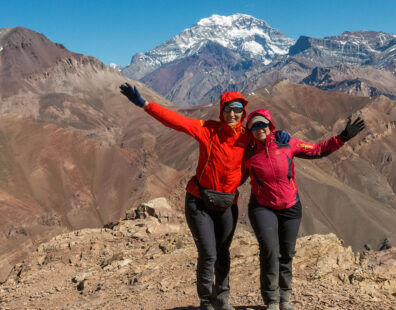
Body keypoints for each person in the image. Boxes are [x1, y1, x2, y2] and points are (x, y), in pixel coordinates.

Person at [119, 84, 290, 310]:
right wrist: (145, 105)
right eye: (228, 109)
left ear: (243, 113)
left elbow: (265, 139)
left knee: (223, 253)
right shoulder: (207, 130)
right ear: (222, 111)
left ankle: (222, 299)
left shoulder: (247, 137)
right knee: (209, 254)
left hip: (228, 203)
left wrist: (278, 136)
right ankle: (206, 301)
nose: (232, 114)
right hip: (199, 201)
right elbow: (176, 121)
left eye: (237, 110)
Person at [243, 109, 365, 310]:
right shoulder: (247, 151)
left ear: (270, 125)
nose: (259, 129)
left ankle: (285, 298)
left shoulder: (286, 143)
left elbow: (317, 150)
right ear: (249, 130)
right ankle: (272, 299)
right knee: (270, 251)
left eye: (262, 124)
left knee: (287, 253)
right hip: (262, 207)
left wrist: (342, 138)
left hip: (290, 207)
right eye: (254, 126)